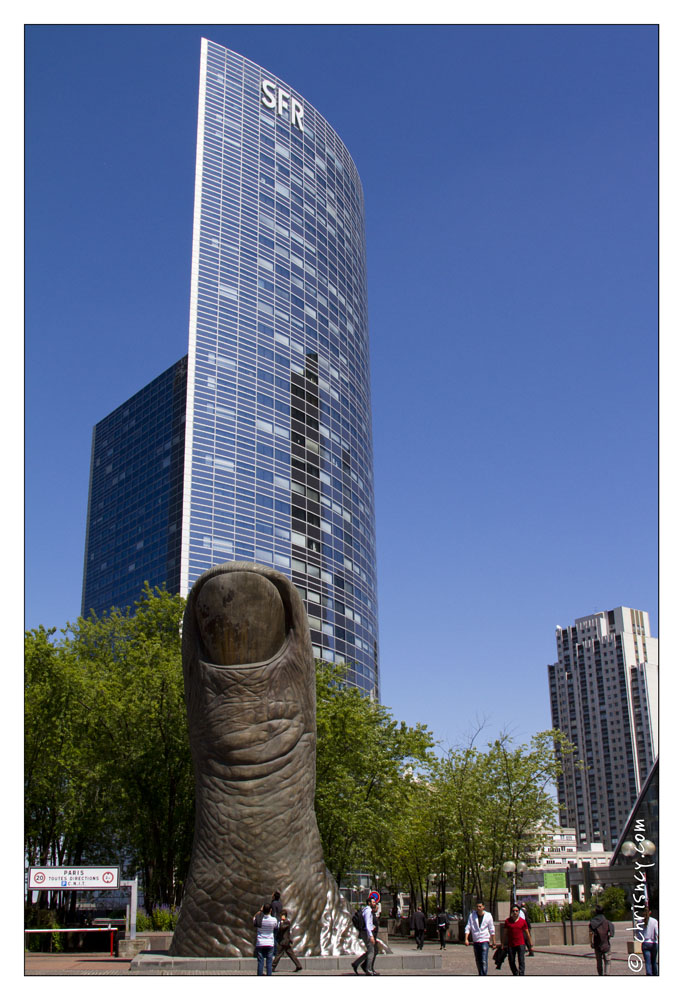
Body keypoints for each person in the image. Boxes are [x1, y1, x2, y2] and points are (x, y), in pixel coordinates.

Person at [465, 900, 496, 976]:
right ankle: (480, 973)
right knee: (478, 960)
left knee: (484, 960)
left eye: (480, 906)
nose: (478, 908)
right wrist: (466, 938)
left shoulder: (488, 916)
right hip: (476, 940)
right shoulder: (472, 915)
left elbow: (492, 929)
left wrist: (493, 942)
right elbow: (468, 927)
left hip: (484, 940)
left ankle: (483, 975)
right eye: (477, 907)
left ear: (483, 907)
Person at [352, 896, 379, 976]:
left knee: (371, 951)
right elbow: (367, 924)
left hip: (366, 932)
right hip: (367, 933)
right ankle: (369, 970)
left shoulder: (367, 910)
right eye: (373, 902)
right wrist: (371, 935)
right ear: (369, 903)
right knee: (371, 951)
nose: (375, 903)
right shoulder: (368, 911)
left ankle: (356, 963)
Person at [502, 905, 532, 976]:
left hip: (521, 944)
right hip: (511, 945)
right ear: (511, 912)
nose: (515, 912)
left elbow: (527, 934)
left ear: (519, 912)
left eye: (516, 911)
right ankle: (515, 973)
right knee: (511, 961)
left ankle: (521, 974)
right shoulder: (508, 921)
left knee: (521, 961)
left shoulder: (523, 921)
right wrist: (502, 944)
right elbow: (505, 933)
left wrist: (530, 945)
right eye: (513, 911)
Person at [253, 902, 279, 976]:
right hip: (270, 943)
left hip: (260, 942)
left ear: (263, 910)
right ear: (270, 910)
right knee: (269, 962)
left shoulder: (258, 919)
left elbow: (253, 918)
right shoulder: (274, 920)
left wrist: (260, 911)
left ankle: (260, 975)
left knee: (260, 961)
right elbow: (275, 927)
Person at [589, 904, 614, 976]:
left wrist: (591, 942)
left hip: (597, 944)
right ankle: (607, 974)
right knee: (607, 961)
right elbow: (611, 934)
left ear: (596, 912)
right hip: (606, 945)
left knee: (599, 962)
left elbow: (590, 933)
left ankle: (600, 974)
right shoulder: (607, 922)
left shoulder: (592, 922)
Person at [641, 907, 658, 976]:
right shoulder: (654, 921)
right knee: (654, 961)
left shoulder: (640, 921)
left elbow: (638, 933)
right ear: (650, 912)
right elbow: (657, 933)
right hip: (653, 942)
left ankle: (649, 974)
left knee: (647, 962)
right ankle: (655, 974)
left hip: (645, 942)